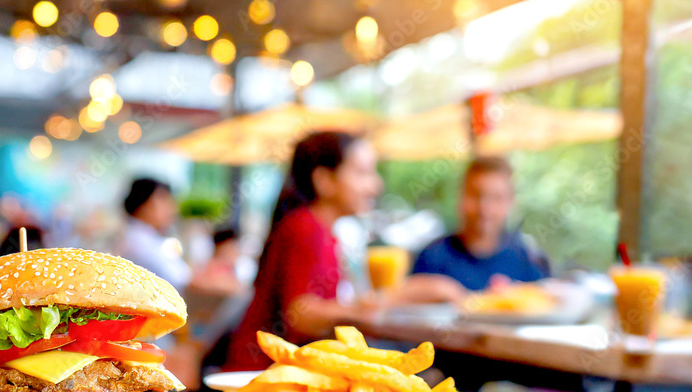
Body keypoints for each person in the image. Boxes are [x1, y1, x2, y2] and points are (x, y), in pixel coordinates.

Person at [223, 131, 383, 371]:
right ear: (324, 180)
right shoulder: (307, 228)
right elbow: (301, 313)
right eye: (362, 173)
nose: (375, 186)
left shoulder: (314, 227)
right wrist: (361, 309)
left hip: (272, 371)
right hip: (263, 376)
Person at [403, 156, 549, 302]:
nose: (484, 208)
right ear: (460, 197)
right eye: (476, 195)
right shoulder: (432, 257)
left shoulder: (529, 260)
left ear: (511, 202)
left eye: (496, 198)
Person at [115, 178, 192, 291]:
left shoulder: (148, 235)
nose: (171, 209)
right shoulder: (136, 240)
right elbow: (178, 278)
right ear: (143, 204)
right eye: (163, 201)